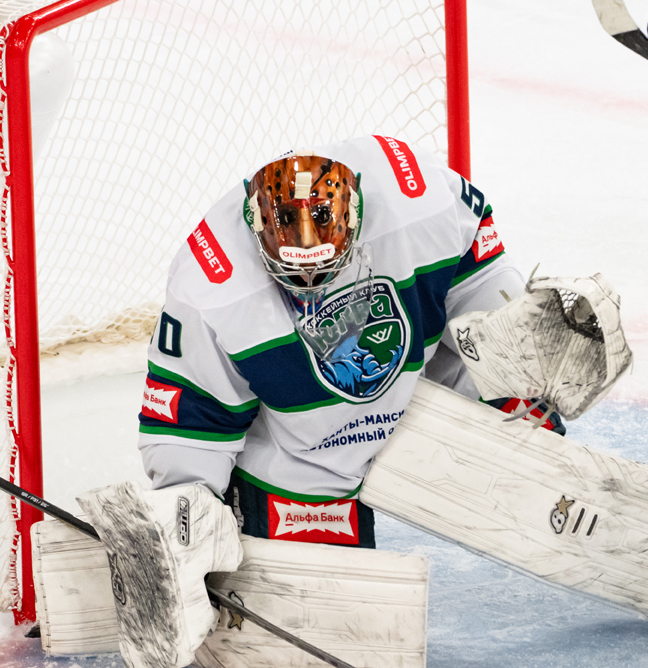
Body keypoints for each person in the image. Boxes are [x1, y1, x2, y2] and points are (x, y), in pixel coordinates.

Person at [137, 135, 558, 549]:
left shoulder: (418, 197)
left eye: (324, 269)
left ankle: (535, 453)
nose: (309, 283)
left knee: (522, 386)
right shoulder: (209, 281)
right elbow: (189, 432)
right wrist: (186, 526)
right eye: (292, 273)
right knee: (324, 586)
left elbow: (481, 281)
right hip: (303, 452)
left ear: (356, 217)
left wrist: (529, 352)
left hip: (415, 372)